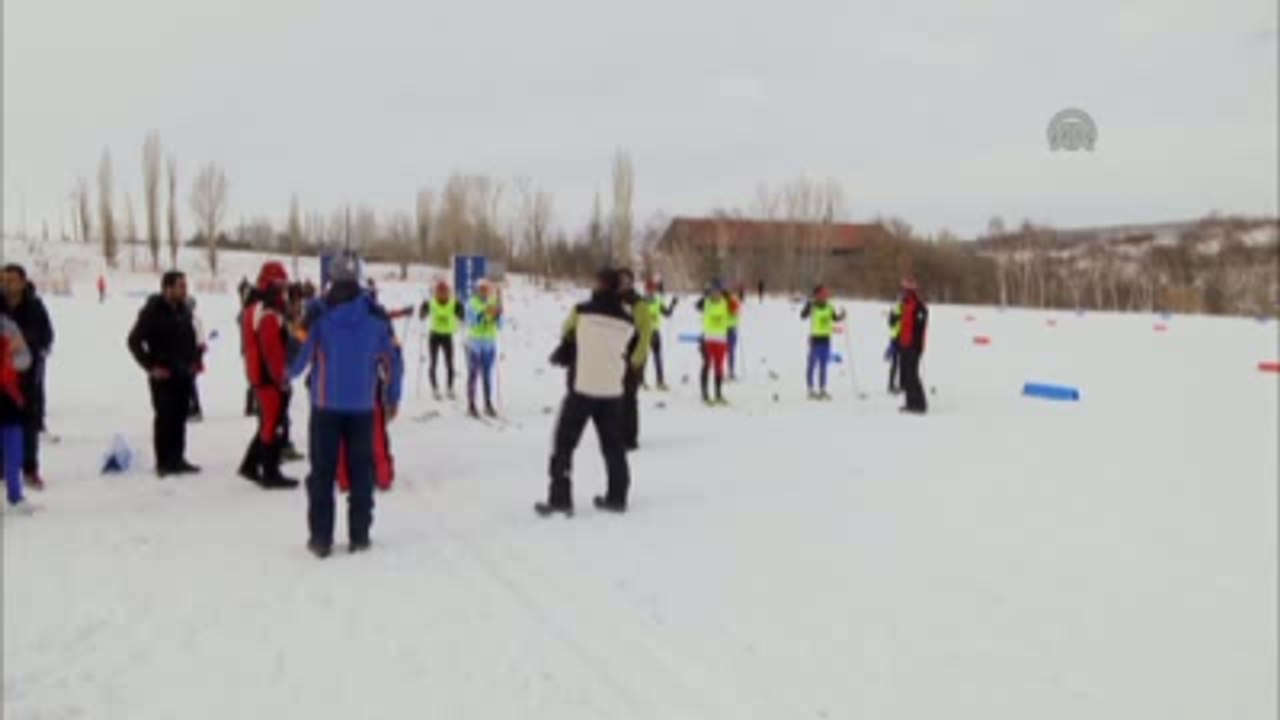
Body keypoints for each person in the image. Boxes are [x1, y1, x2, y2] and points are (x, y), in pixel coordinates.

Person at [289, 253, 403, 558]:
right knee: (361, 472)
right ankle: (360, 536)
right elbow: (394, 360)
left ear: (331, 279)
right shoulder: (377, 316)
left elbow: (294, 365)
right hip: (363, 408)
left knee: (323, 473)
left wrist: (298, 329)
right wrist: (392, 397)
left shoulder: (318, 315)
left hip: (326, 406)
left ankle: (321, 539)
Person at [537, 268, 637, 516]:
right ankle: (617, 496)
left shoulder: (581, 311)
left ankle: (560, 499)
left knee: (564, 444)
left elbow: (567, 332)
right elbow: (630, 346)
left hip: (583, 387)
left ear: (599, 286)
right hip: (613, 390)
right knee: (614, 447)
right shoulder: (627, 320)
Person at [127, 271, 201, 477]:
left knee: (180, 417)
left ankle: (178, 458)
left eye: (185, 286)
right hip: (163, 373)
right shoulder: (152, 311)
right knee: (165, 418)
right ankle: (164, 462)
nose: (184, 290)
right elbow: (133, 341)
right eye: (180, 286)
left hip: (183, 372)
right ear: (167, 288)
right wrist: (151, 366)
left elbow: (191, 337)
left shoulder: (184, 310)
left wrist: (194, 361)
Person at [237, 262, 300, 490]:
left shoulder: (255, 305)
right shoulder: (268, 312)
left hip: (258, 374)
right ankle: (270, 472)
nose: (284, 288)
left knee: (267, 422)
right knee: (273, 423)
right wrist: (280, 378)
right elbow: (272, 349)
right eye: (280, 284)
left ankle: (252, 465)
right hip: (268, 377)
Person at [2, 265, 54, 491]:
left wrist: (26, 343)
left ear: (23, 282)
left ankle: (30, 469)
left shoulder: (34, 307)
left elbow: (46, 335)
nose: (7, 284)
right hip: (2, 376)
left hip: (28, 373)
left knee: (28, 423)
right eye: (4, 280)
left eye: (12, 280)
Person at [1, 307, 36, 515]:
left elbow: (25, 360)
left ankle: (15, 494)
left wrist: (9, 359)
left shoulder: (9, 326)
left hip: (7, 395)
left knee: (13, 446)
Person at [617, 269, 653, 451]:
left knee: (629, 396)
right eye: (620, 281)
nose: (623, 285)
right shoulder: (612, 301)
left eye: (626, 281)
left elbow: (645, 333)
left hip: (634, 354)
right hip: (616, 355)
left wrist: (637, 358)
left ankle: (630, 437)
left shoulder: (639, 304)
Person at [418, 280, 464, 400]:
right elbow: (421, 317)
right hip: (434, 336)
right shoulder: (431, 303)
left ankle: (450, 388)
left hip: (447, 336)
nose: (442, 294)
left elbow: (462, 316)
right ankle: (435, 388)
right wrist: (423, 309)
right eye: (440, 291)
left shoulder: (453, 303)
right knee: (433, 362)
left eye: (445, 292)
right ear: (436, 293)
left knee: (449, 363)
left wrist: (460, 310)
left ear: (448, 293)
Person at [800, 286, 846, 399]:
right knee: (812, 365)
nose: (825, 296)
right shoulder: (812, 306)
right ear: (817, 295)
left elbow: (835, 318)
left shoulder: (829, 307)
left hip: (826, 339)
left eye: (826, 294)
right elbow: (802, 316)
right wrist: (808, 306)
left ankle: (822, 389)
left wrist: (842, 315)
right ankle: (810, 389)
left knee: (823, 366)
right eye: (822, 294)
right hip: (815, 339)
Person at [465, 279, 503, 417]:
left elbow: (500, 325)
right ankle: (471, 405)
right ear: (477, 290)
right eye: (482, 289)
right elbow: (472, 321)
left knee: (487, 375)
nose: (484, 292)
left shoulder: (493, 302)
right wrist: (487, 313)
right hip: (475, 343)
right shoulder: (471, 303)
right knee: (473, 374)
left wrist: (498, 314)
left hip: (489, 344)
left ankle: (488, 404)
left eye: (487, 289)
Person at [695, 281, 733, 405]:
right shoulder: (706, 303)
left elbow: (736, 307)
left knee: (719, 367)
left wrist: (729, 296)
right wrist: (705, 295)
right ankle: (705, 394)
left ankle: (718, 394)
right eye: (713, 291)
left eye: (718, 291)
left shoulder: (725, 303)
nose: (715, 294)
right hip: (707, 340)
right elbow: (697, 305)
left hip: (721, 340)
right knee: (707, 363)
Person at [896, 278, 929, 414]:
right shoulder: (905, 305)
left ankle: (920, 404)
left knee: (913, 375)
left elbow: (920, 328)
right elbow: (902, 326)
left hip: (913, 346)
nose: (903, 293)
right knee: (906, 376)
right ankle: (910, 403)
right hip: (904, 344)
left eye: (906, 291)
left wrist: (917, 346)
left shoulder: (919, 307)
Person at [642, 279, 677, 391]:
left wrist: (673, 304)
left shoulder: (657, 302)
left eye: (652, 290)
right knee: (643, 358)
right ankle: (641, 381)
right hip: (644, 332)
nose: (650, 292)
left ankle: (660, 381)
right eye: (648, 290)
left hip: (655, 333)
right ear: (645, 290)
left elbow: (667, 314)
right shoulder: (641, 302)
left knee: (657, 357)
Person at [187, 297, 206, 421]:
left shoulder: (195, 321)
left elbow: (200, 342)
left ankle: (195, 409)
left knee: (190, 384)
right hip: (188, 356)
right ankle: (190, 408)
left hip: (193, 356)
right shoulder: (187, 319)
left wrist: (196, 359)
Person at [726, 285, 743, 380]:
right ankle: (730, 371)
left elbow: (737, 313)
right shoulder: (728, 302)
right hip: (726, 329)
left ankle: (731, 371)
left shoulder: (734, 302)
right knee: (729, 352)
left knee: (731, 352)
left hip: (731, 329)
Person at [886, 304, 902, 394]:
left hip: (904, 339)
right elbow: (890, 323)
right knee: (895, 363)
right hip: (895, 339)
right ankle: (891, 385)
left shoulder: (907, 309)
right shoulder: (895, 309)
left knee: (903, 364)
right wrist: (898, 317)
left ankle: (902, 384)